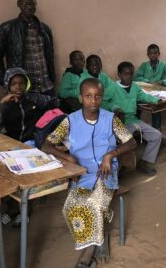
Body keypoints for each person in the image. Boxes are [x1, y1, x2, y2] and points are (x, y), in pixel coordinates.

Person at [42, 78, 136, 268]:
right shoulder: (70, 121)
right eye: (88, 96)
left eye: (97, 96)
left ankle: (88, 253)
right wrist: (68, 158)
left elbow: (131, 142)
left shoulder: (110, 119)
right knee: (72, 206)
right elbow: (46, 144)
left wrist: (111, 154)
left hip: (105, 171)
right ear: (80, 98)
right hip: (82, 171)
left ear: (102, 97)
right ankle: (101, 237)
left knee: (95, 203)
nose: (93, 101)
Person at [0, 0, 55, 95]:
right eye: (26, 4)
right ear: (18, 4)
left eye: (32, 4)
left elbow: (50, 54)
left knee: (54, 111)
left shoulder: (45, 29)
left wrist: (52, 78)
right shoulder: (7, 28)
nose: (30, 7)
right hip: (23, 91)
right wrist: (6, 81)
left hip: (46, 87)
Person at [108, 62, 162, 176]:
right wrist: (114, 107)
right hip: (118, 122)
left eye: (131, 74)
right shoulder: (112, 87)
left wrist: (156, 100)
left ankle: (144, 162)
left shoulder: (135, 86)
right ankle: (120, 166)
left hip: (133, 120)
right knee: (124, 142)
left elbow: (144, 96)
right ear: (119, 74)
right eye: (125, 74)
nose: (128, 77)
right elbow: (103, 102)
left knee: (156, 135)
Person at [0, 67, 59, 145]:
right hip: (11, 142)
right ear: (7, 85)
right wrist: (1, 104)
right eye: (13, 84)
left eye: (21, 83)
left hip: (32, 141)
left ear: (27, 84)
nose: (18, 86)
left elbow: (56, 102)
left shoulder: (35, 99)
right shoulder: (5, 104)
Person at [134, 44, 166, 130]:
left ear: (159, 54)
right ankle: (136, 129)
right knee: (137, 108)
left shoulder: (163, 65)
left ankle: (157, 130)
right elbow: (136, 77)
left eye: (155, 53)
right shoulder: (144, 65)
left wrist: (163, 81)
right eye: (151, 53)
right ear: (147, 55)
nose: (153, 55)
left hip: (157, 92)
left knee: (156, 109)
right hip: (144, 92)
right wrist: (147, 81)